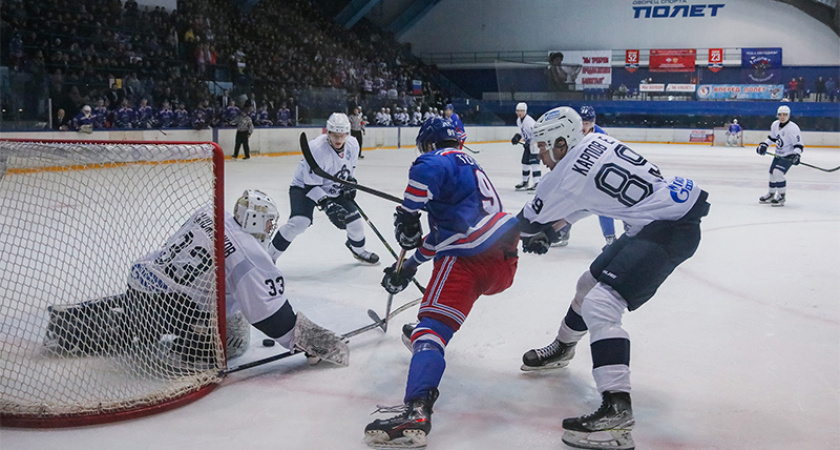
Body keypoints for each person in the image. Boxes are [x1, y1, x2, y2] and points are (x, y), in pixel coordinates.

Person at [517, 107, 710, 450]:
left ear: (563, 142)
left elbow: (523, 225)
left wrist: (476, 231)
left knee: (602, 305)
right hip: (658, 220)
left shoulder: (562, 174)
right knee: (586, 286)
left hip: (668, 230)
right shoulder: (598, 142)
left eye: (544, 146)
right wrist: (554, 229)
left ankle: (617, 413)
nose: (540, 154)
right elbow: (594, 199)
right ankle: (563, 347)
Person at [44, 190, 349, 368]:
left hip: (145, 277)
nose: (270, 229)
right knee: (235, 338)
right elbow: (269, 315)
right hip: (173, 304)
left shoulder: (211, 212)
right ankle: (188, 345)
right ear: (256, 220)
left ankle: (80, 317)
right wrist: (316, 343)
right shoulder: (248, 254)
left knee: (144, 318)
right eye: (269, 222)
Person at [363, 118, 520, 449]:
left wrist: (408, 214)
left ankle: (416, 409)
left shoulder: (437, 158)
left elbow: (426, 171)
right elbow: (441, 235)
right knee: (432, 326)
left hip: (467, 259)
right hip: (502, 261)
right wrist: (407, 267)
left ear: (430, 143)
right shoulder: (469, 170)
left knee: (430, 329)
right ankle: (426, 341)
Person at [268, 113, 379, 265]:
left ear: (347, 133)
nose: (339, 139)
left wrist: (350, 183)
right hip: (304, 188)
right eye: (335, 135)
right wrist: (328, 206)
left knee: (355, 222)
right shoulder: (316, 149)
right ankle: (268, 257)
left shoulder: (353, 145)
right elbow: (310, 185)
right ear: (328, 132)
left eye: (342, 135)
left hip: (333, 187)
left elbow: (350, 170)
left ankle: (358, 251)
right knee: (299, 222)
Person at [756, 105, 803, 207]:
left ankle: (781, 196)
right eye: (780, 115)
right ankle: (771, 194)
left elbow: (799, 144)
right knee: (772, 173)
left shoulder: (793, 128)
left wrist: (796, 155)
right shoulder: (775, 125)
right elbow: (772, 138)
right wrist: (764, 145)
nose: (782, 117)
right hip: (778, 154)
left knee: (778, 173)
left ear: (788, 115)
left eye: (785, 115)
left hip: (788, 155)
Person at [510, 102, 541, 191]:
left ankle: (537, 183)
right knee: (525, 163)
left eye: (522, 111)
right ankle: (525, 182)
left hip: (535, 144)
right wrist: (519, 137)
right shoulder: (519, 120)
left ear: (525, 111)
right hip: (528, 144)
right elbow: (524, 132)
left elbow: (536, 133)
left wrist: (532, 141)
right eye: (518, 111)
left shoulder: (529, 121)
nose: (520, 113)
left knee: (534, 164)